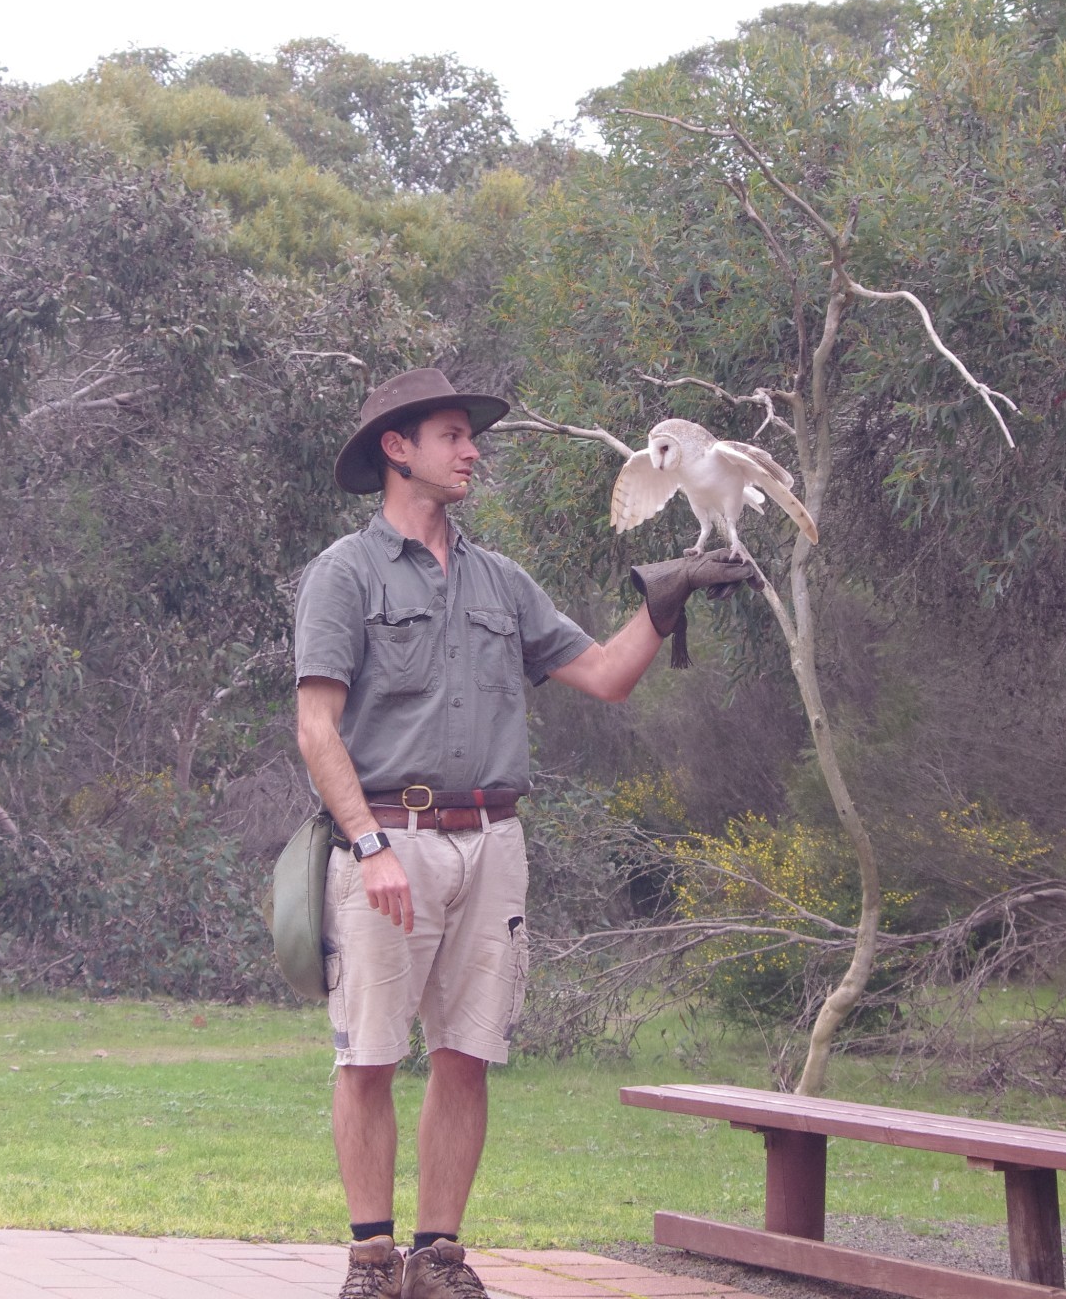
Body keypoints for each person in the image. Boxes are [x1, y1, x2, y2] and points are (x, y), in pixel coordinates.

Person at [294, 369, 754, 1299]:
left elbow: (606, 675)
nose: (472, 453)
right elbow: (316, 729)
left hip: (494, 844)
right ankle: (372, 1263)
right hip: (390, 841)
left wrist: (662, 604)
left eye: (472, 438)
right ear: (398, 448)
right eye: (455, 436)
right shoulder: (344, 575)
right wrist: (369, 846)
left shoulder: (501, 581)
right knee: (371, 1055)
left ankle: (441, 1259)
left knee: (467, 1057)